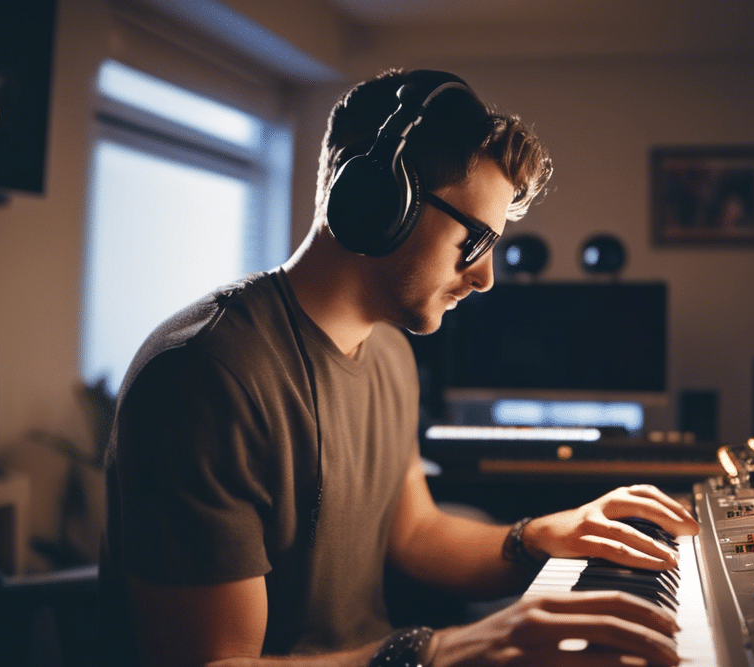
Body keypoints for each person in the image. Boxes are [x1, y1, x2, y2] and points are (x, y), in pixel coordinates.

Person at [98, 68, 700, 667]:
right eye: (474, 242)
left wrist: (539, 538)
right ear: (381, 203)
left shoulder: (390, 350)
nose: (486, 278)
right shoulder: (203, 375)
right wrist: (439, 651)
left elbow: (413, 533)